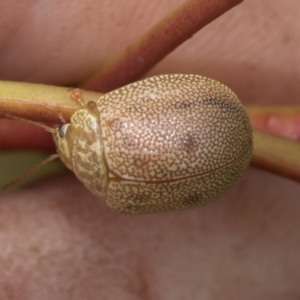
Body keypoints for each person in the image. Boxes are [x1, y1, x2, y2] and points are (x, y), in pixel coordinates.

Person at [0, 1, 299, 298]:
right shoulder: (105, 121)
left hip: (223, 160)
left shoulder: (116, 196)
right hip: (216, 115)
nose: (60, 134)